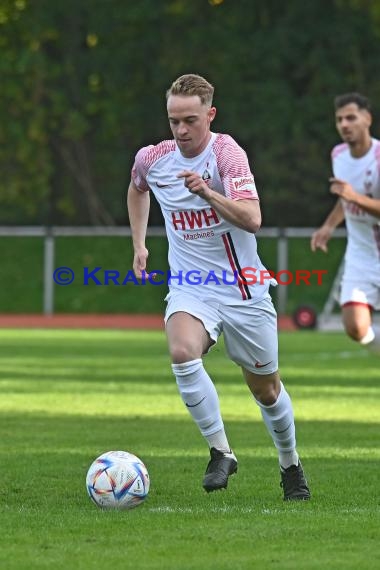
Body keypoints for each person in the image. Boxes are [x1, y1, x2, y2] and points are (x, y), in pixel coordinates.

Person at [127, 73, 310, 500]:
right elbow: (137, 188)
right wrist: (139, 244)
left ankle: (290, 465)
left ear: (210, 114)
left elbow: (252, 218)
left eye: (190, 120)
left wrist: (208, 193)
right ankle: (221, 451)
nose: (181, 130)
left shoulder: (227, 154)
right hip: (192, 286)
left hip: (244, 289)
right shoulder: (154, 158)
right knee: (181, 351)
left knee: (265, 390)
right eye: (174, 121)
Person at [311, 93, 380, 350]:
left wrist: (355, 197)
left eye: (351, 117)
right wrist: (329, 225)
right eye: (339, 119)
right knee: (355, 327)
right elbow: (344, 198)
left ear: (367, 119)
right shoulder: (338, 154)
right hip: (361, 255)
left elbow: (351, 196)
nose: (344, 125)